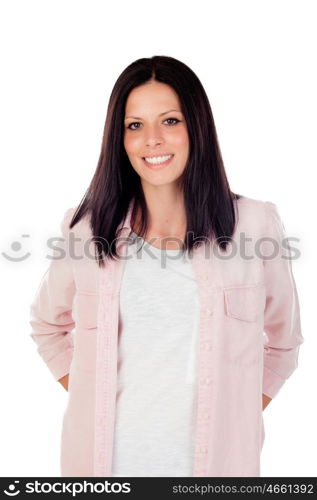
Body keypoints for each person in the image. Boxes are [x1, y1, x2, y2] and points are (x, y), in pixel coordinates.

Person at [29, 55, 304, 477]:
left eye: (170, 121)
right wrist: (90, 393)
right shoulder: (85, 230)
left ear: (196, 126)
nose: (153, 140)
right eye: (135, 125)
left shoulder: (255, 225)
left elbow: (283, 346)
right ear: (119, 140)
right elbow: (47, 326)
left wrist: (235, 412)